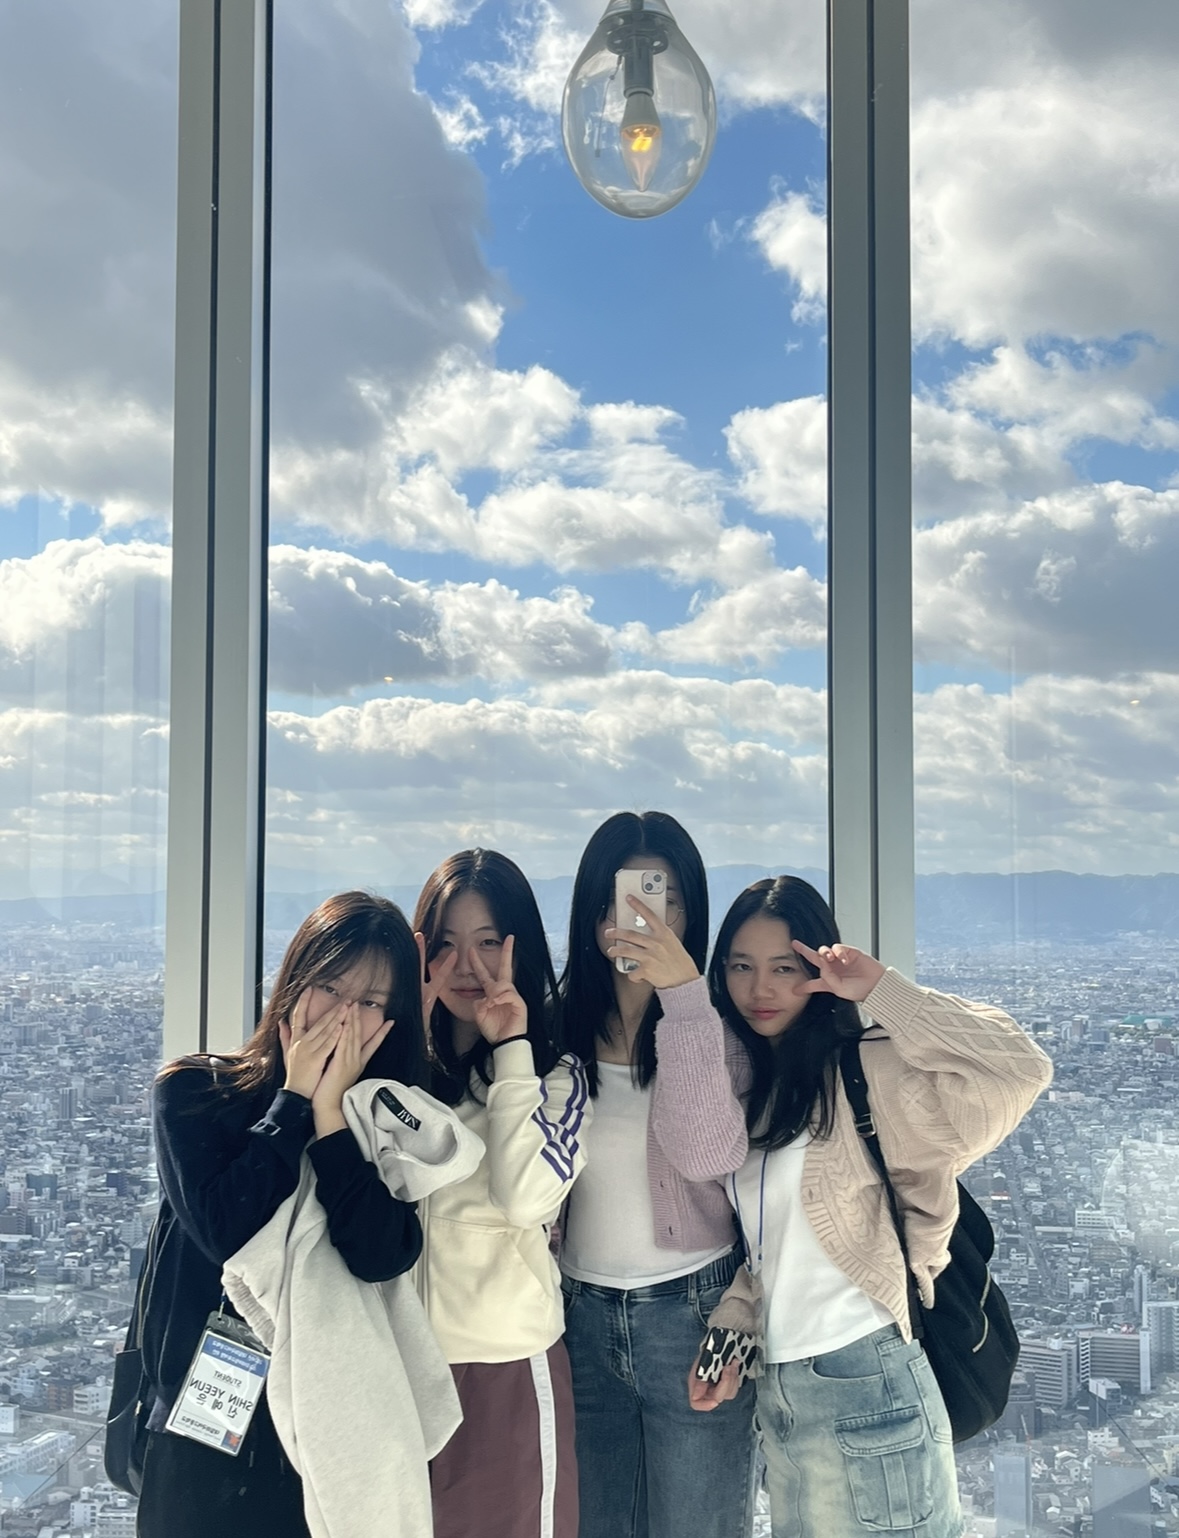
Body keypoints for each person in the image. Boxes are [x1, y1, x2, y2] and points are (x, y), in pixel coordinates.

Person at [689, 876, 1053, 1538]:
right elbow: (777, 1246)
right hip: (781, 1397)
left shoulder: (870, 1071)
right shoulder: (753, 1090)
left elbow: (1018, 1069)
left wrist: (881, 989)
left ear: (816, 970)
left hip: (868, 1380)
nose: (760, 988)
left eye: (783, 968)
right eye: (741, 967)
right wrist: (731, 1338)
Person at [138, 891, 433, 1538]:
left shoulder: (381, 1127)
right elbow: (227, 1230)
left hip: (324, 1437)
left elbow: (381, 1255)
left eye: (371, 1002)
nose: (345, 1016)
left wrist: (331, 1123)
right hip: (202, 1424)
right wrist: (294, 1099)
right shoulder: (194, 1093)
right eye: (330, 987)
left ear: (392, 1022)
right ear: (293, 984)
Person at [557, 811, 755, 1538]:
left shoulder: (720, 1034)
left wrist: (684, 1000)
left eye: (665, 900)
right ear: (594, 913)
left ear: (689, 914)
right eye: (628, 899)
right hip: (576, 1318)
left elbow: (707, 1157)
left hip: (693, 1317)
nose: (645, 918)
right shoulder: (553, 1031)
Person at [413, 848, 590, 1538]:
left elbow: (526, 1200)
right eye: (447, 944)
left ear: (522, 949)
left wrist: (511, 1045)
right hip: (393, 1363)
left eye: (489, 943)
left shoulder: (555, 1077)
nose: (468, 966)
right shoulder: (394, 1073)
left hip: (504, 1367)